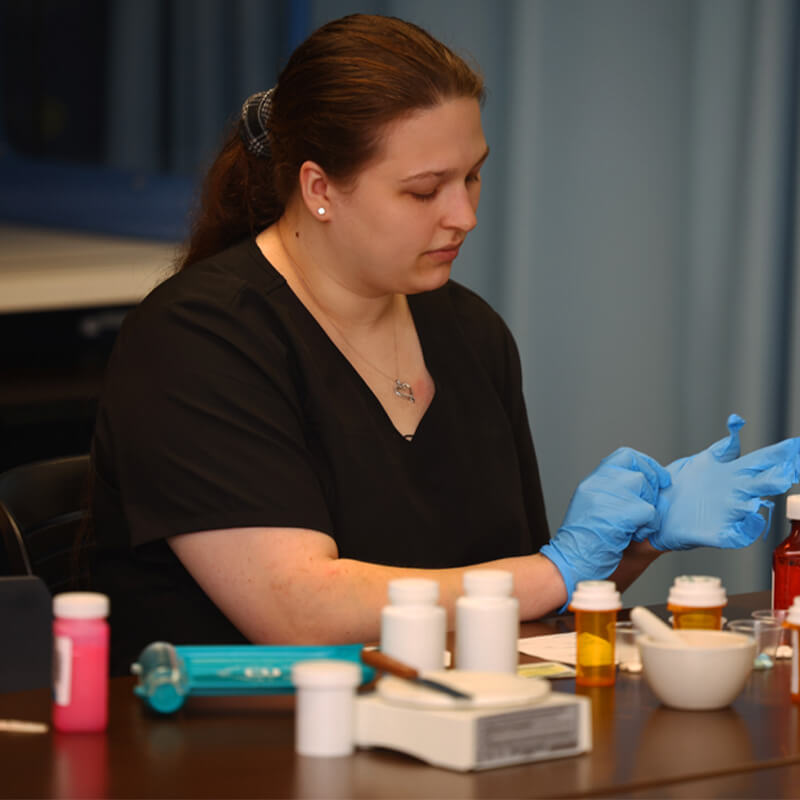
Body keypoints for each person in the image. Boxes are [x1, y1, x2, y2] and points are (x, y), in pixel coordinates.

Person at [88, 14, 800, 675]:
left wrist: (634, 540)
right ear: (319, 188)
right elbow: (300, 609)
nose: (464, 215)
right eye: (425, 191)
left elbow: (506, 601)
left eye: (473, 175)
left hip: (446, 727)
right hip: (240, 750)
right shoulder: (199, 339)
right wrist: (560, 566)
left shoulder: (468, 332)